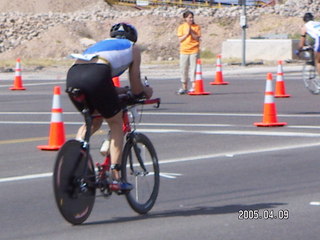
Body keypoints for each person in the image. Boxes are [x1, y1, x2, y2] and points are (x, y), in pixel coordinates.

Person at [66, 22, 153, 190]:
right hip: (97, 75)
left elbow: (97, 80)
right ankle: (116, 177)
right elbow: (136, 87)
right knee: (115, 122)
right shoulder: (133, 48)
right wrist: (145, 91)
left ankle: (76, 159)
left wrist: (119, 90)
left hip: (74, 75)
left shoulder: (99, 45)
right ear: (133, 39)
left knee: (92, 120)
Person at [176, 10, 201, 95]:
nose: (191, 19)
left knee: (193, 69)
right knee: (183, 69)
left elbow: (197, 38)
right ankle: (184, 87)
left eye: (192, 17)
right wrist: (186, 34)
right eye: (189, 17)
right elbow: (180, 39)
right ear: (185, 18)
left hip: (194, 50)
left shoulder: (196, 27)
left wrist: (191, 31)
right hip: (184, 50)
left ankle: (194, 86)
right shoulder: (181, 27)